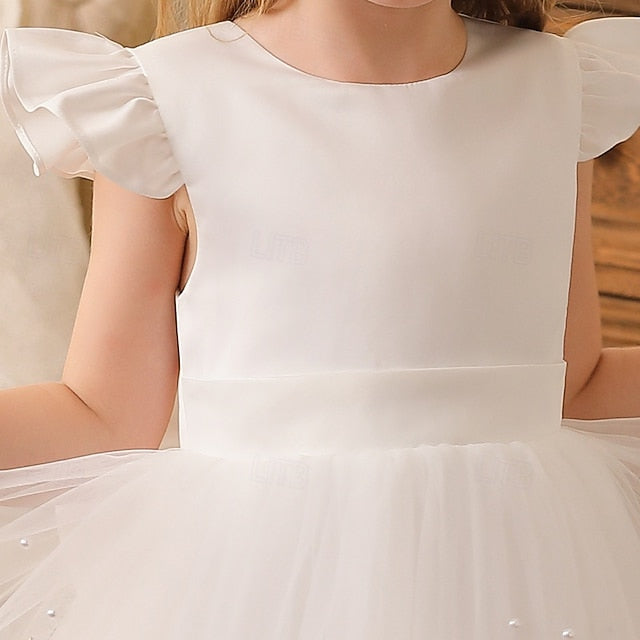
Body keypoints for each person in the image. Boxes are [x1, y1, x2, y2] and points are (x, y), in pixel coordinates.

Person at [1, 0, 640, 637]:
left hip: (518, 573)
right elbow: (104, 411)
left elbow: (576, 383)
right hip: (260, 577)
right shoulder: (158, 104)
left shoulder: (557, 90)